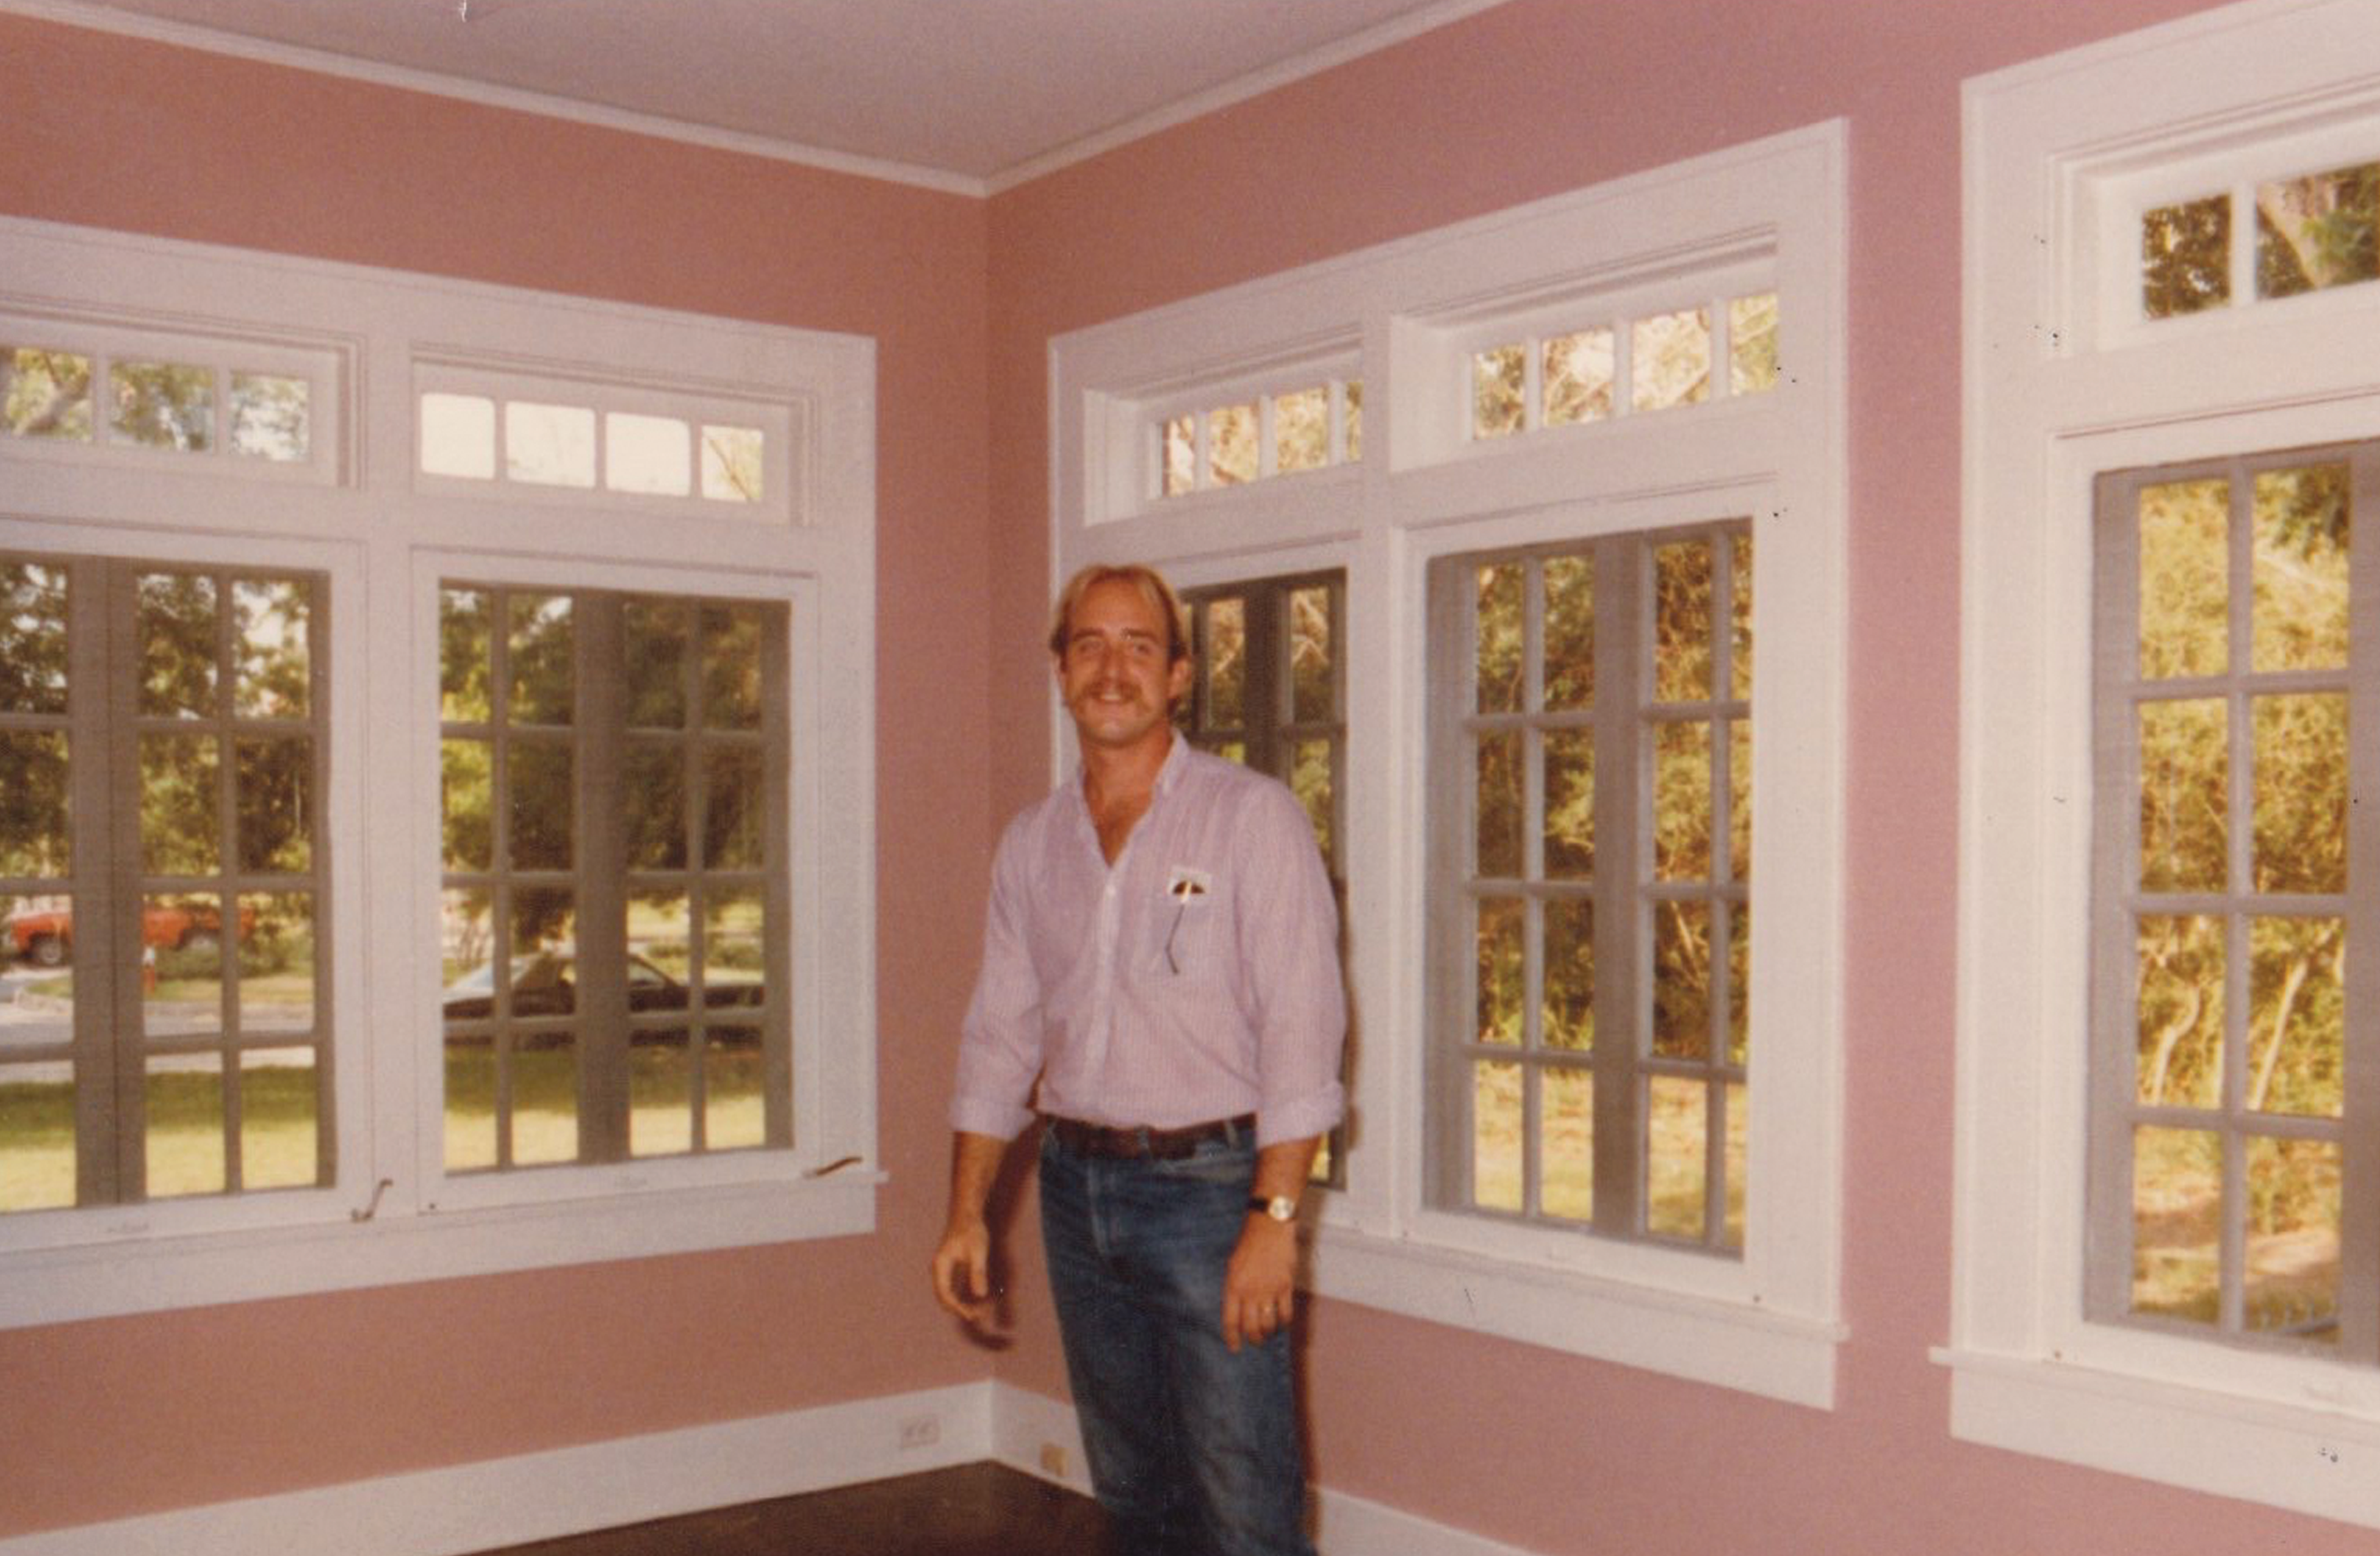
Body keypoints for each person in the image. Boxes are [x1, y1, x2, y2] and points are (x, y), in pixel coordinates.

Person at [931, 561, 1347, 1556]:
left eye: (1139, 646)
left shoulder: (1254, 819)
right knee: (1138, 1497)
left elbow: (1303, 1031)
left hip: (1212, 1196)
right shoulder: (1033, 844)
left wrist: (1272, 1221)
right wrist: (965, 1214)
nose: (1112, 667)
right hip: (1078, 1197)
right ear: (1061, 669)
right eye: (1089, 644)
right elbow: (1000, 1034)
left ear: (1178, 677)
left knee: (1245, 1503)